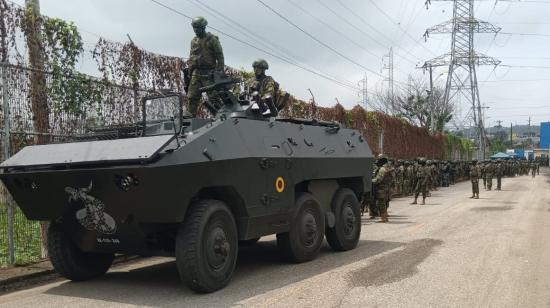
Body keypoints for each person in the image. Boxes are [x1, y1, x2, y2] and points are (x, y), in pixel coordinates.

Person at [187, 16, 225, 116]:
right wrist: (189, 74)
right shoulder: (193, 41)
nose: (196, 30)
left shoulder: (212, 40)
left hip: (209, 73)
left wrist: (218, 73)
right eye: (194, 27)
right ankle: (190, 116)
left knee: (213, 97)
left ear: (203, 27)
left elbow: (220, 57)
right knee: (192, 96)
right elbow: (191, 58)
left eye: (198, 27)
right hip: (196, 73)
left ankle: (221, 116)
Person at [372, 154, 392, 223]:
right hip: (387, 188)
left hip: (381, 188)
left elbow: (378, 179)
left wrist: (371, 181)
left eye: (379, 160)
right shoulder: (389, 167)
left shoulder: (382, 169)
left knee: (380, 203)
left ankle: (383, 218)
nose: (377, 161)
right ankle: (385, 217)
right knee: (383, 203)